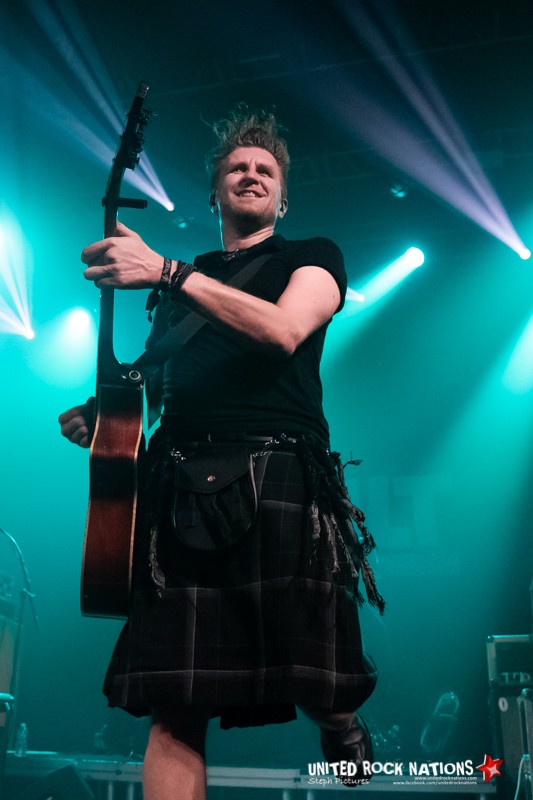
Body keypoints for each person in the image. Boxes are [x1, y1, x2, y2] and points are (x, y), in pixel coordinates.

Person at [59, 107, 384, 799]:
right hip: (180, 488)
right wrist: (107, 417)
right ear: (214, 193)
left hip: (279, 473)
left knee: (315, 675)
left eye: (265, 169)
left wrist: (167, 271)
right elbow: (159, 380)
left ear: (282, 197)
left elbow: (283, 331)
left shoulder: (311, 255)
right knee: (175, 702)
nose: (251, 173)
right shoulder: (184, 280)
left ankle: (339, 720)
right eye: (237, 166)